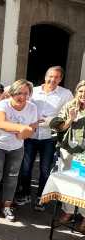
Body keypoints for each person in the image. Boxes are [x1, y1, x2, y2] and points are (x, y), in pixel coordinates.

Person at [18, 66, 73, 211]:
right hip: (31, 135)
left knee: (44, 169)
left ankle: (41, 198)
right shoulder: (33, 91)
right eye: (50, 76)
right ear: (45, 76)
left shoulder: (65, 94)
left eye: (56, 77)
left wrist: (58, 121)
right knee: (26, 167)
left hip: (49, 137)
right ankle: (25, 193)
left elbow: (71, 110)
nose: (52, 80)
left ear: (60, 79)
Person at [0, 79, 38, 222]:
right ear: (12, 93)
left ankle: (7, 206)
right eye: (18, 93)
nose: (22, 96)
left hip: (16, 147)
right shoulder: (3, 104)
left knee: (12, 177)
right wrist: (21, 128)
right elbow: (2, 124)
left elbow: (32, 128)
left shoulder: (32, 108)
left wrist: (23, 133)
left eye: (25, 93)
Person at [49, 80, 85, 232]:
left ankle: (84, 215)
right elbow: (58, 127)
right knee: (69, 182)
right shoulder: (70, 105)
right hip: (68, 150)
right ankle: (69, 211)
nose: (83, 95)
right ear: (77, 92)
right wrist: (70, 119)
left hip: (84, 153)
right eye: (81, 91)